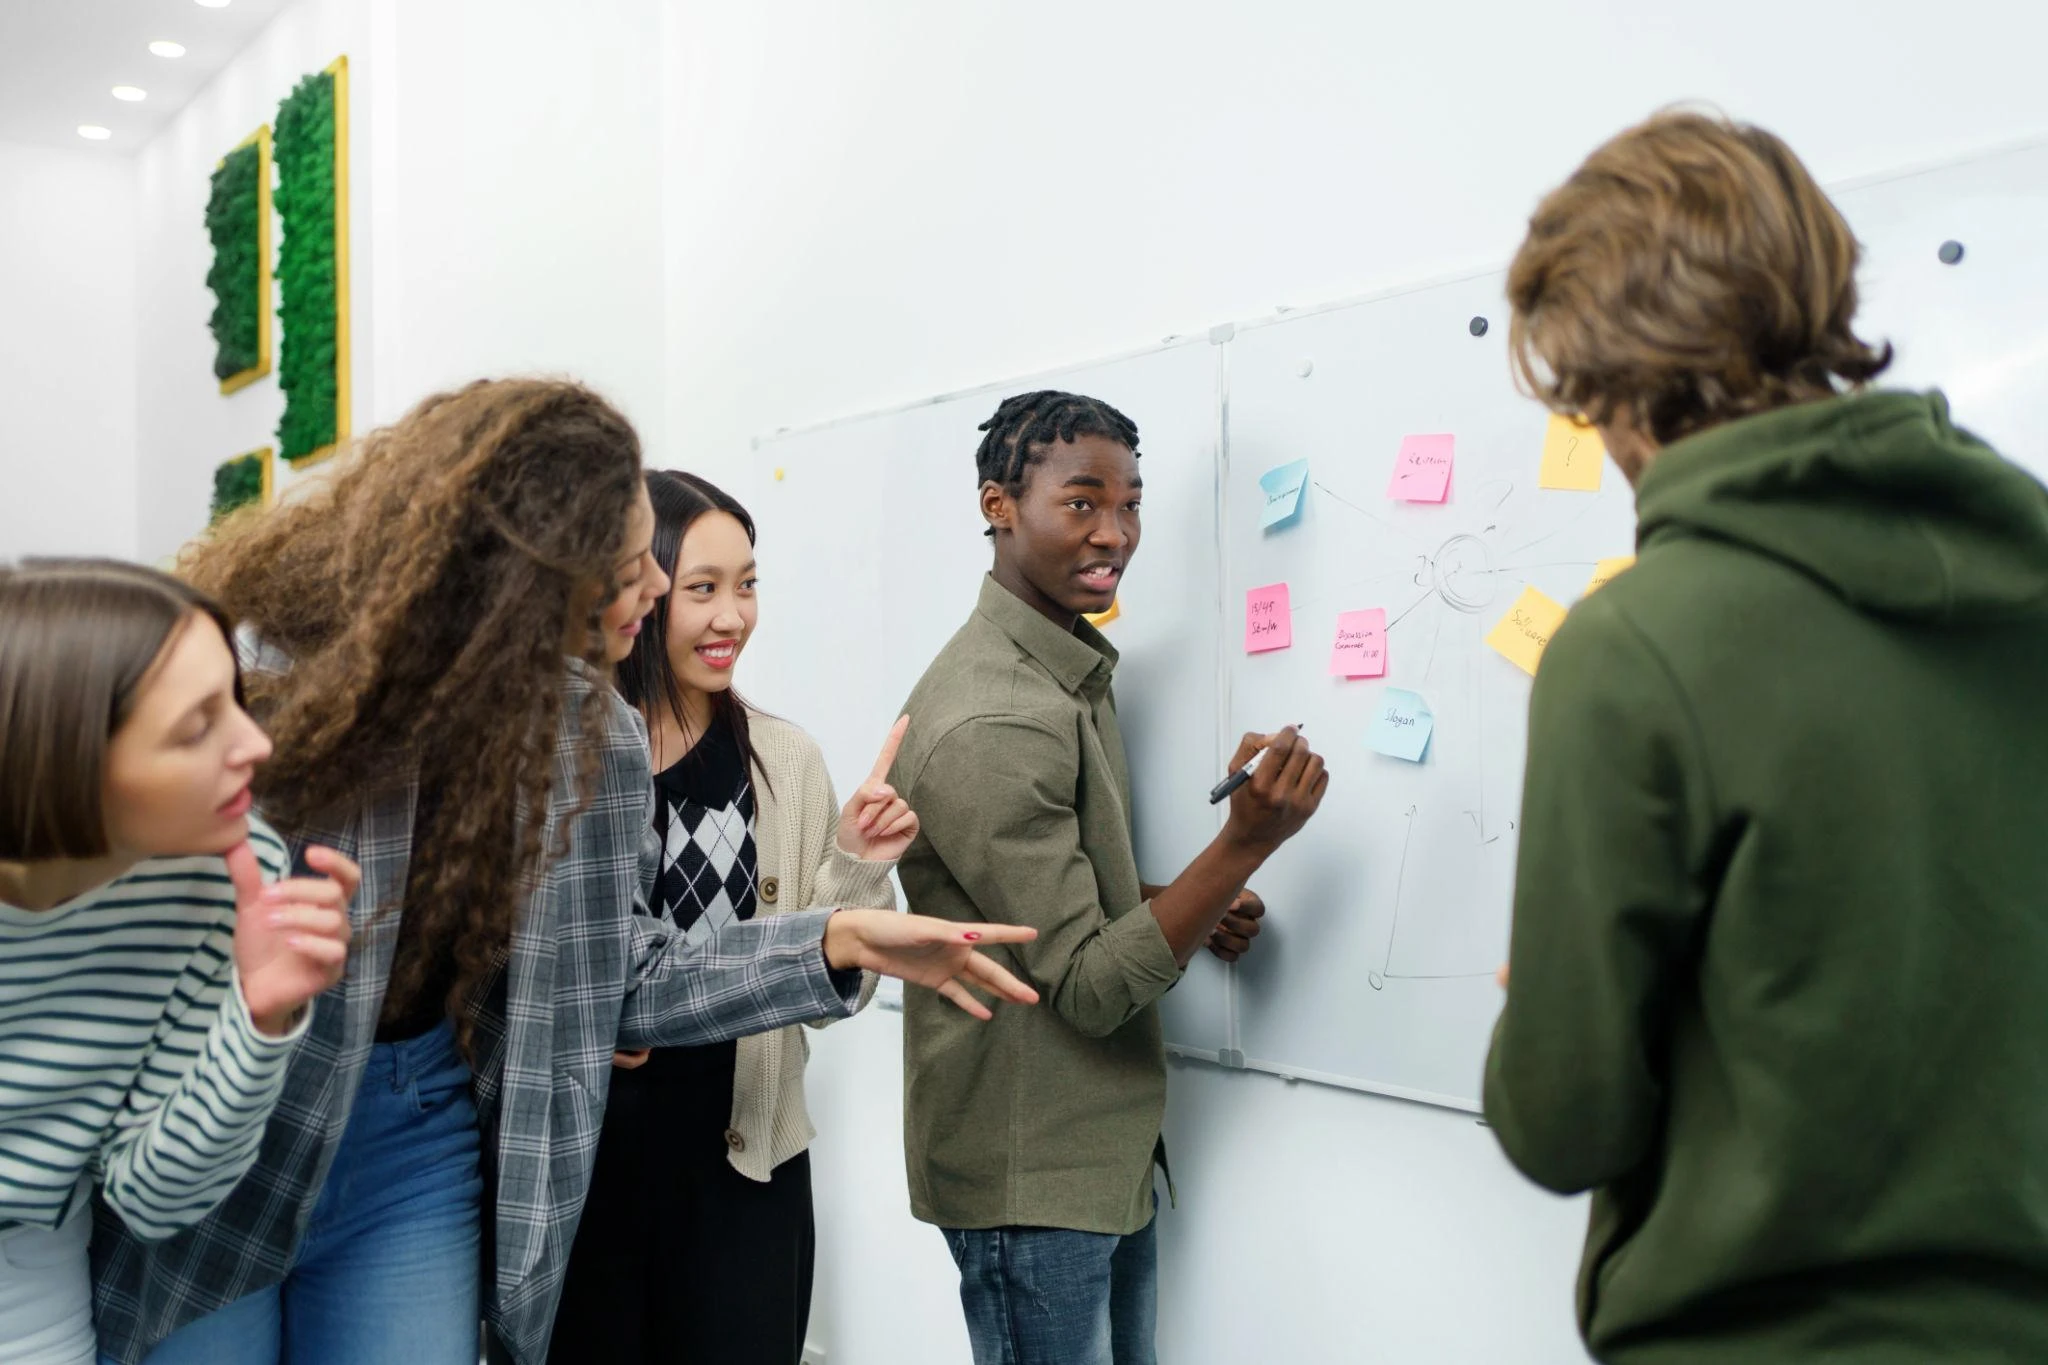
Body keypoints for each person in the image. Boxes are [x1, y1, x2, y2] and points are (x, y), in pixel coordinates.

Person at [90, 379, 1040, 1365]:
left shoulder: (592, 734)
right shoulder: (271, 680)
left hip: (416, 1131)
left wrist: (835, 937)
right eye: (630, 567)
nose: (660, 589)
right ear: (523, 573)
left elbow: (619, 974)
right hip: (232, 1117)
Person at [1484, 109, 2048, 1363]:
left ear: (1618, 378)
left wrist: (1542, 1014)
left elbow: (1563, 1124)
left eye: (1582, 403)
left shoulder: (1635, 647)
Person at [890, 391, 1329, 1364]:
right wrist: (1240, 847)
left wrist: (1186, 898)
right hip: (1032, 1173)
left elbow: (1046, 907)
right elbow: (1086, 988)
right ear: (998, 505)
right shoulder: (997, 718)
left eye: (1129, 504)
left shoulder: (1063, 673)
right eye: (1081, 503)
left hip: (1096, 1157)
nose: (1115, 533)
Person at [549, 470, 912, 1363]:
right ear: (637, 589)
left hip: (746, 1166)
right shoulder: (566, 752)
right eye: (702, 588)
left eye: (747, 584)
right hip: (586, 1176)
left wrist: (860, 865)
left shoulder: (783, 758)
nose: (732, 617)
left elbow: (835, 988)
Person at [0, 560, 352, 1365]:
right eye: (197, 727)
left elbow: (157, 1197)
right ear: (62, 754)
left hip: (29, 1263)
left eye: (235, 697)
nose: (255, 743)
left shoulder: (230, 874)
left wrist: (260, 1018)